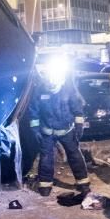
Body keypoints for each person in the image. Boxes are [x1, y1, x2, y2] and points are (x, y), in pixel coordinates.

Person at [29, 62, 91, 197]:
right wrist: (35, 129)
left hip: (66, 131)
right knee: (46, 158)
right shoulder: (40, 90)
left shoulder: (68, 89)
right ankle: (45, 187)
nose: (51, 84)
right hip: (47, 132)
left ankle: (83, 184)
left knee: (74, 155)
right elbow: (33, 111)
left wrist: (79, 126)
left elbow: (77, 109)